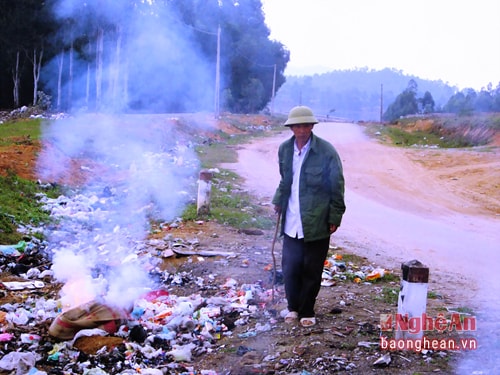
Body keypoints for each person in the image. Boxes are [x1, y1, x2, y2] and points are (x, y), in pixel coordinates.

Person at [272, 105, 346, 327]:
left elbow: (337, 185)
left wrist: (335, 216)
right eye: (297, 126)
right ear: (291, 128)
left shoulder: (326, 152)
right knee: (290, 267)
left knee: (312, 269)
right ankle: (293, 307)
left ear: (312, 126)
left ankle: (307, 310)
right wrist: (278, 200)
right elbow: (285, 180)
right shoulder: (285, 150)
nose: (302, 130)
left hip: (316, 221)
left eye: (306, 125)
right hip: (292, 220)